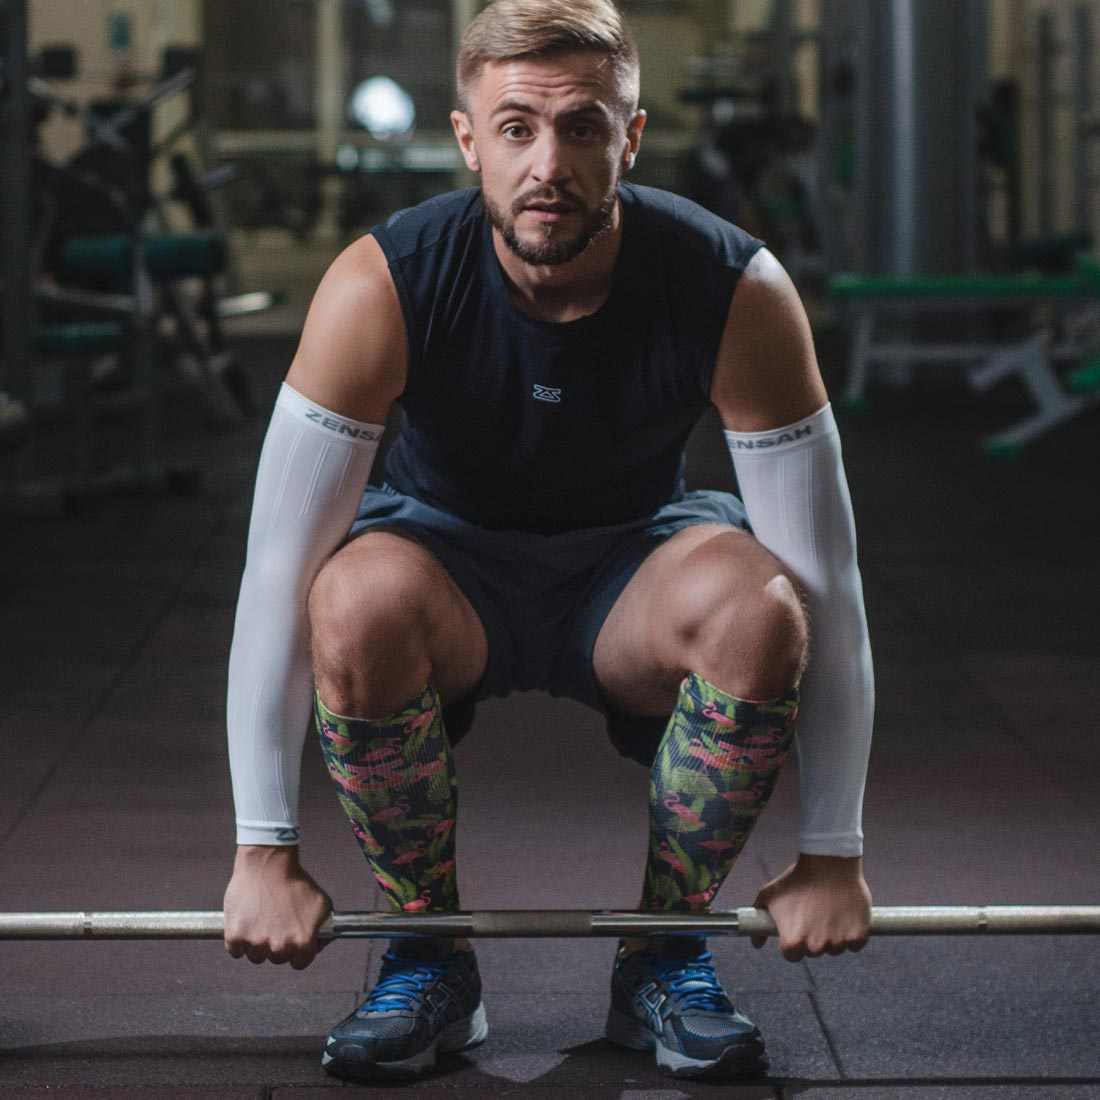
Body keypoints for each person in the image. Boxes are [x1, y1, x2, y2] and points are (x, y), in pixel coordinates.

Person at [222, 0, 874, 1083]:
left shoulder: (733, 287)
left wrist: (832, 851)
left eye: (582, 128)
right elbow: (276, 571)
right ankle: (426, 955)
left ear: (631, 137)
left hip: (633, 567)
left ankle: (666, 951)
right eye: (516, 128)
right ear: (467, 139)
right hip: (441, 568)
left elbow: (828, 579)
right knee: (348, 600)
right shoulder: (380, 284)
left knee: (763, 608)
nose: (549, 164)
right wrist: (262, 848)